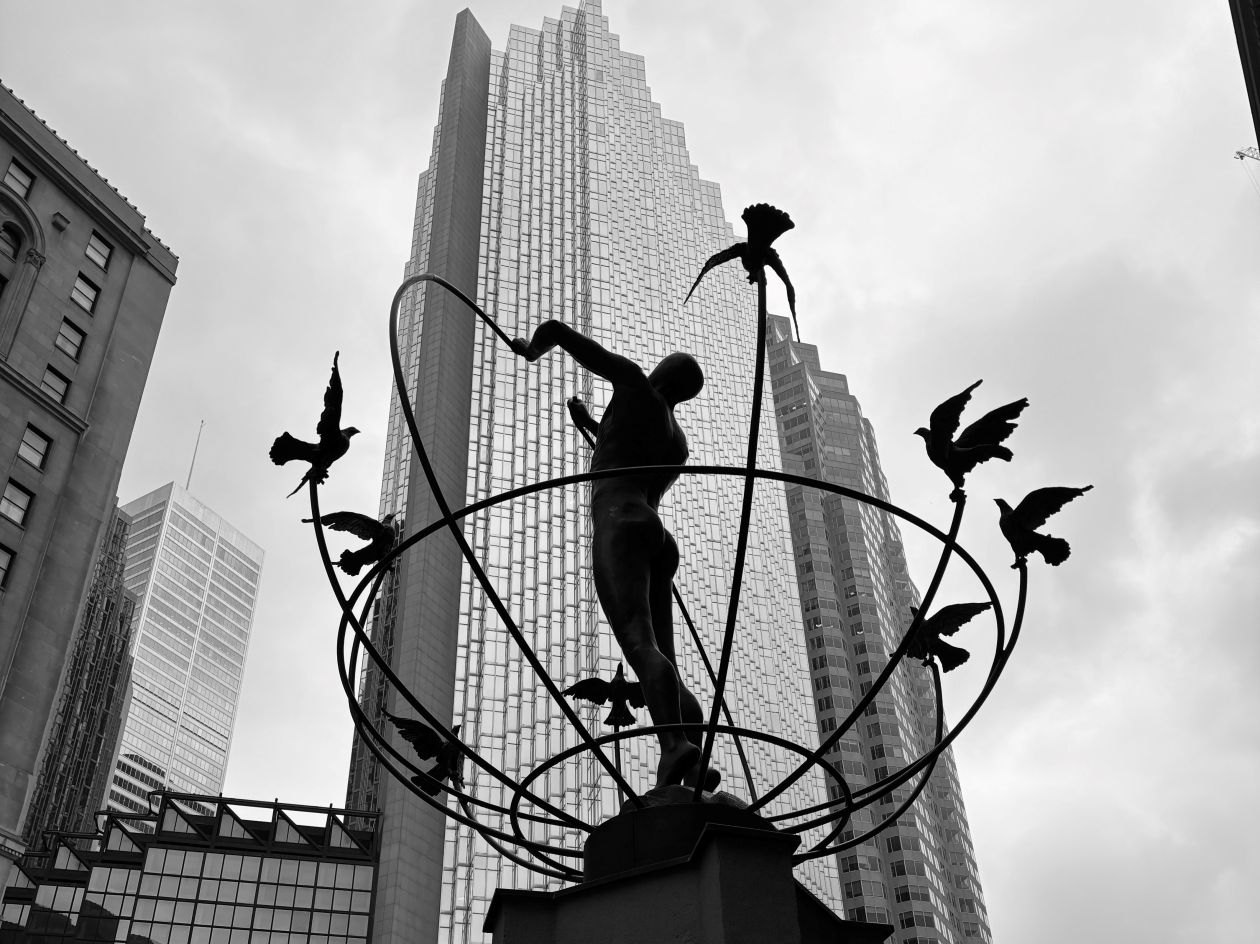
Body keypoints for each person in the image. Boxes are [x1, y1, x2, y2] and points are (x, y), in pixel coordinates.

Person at [510, 320, 716, 790]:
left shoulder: (632, 382)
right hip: (656, 535)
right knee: (664, 655)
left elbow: (557, 330)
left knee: (639, 644)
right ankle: (694, 759)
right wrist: (589, 424)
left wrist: (531, 349)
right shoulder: (676, 441)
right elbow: (621, 449)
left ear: (664, 370)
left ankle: (674, 748)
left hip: (619, 521)